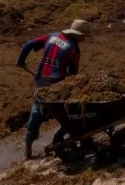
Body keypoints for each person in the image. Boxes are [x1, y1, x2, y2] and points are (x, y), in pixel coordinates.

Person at [17, 19, 92, 159]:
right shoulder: (74, 49)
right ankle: (75, 135)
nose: (84, 39)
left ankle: (27, 152)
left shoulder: (52, 36)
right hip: (56, 84)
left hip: (40, 83)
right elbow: (73, 73)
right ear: (78, 35)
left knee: (35, 114)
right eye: (84, 36)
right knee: (66, 113)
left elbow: (28, 44)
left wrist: (21, 61)